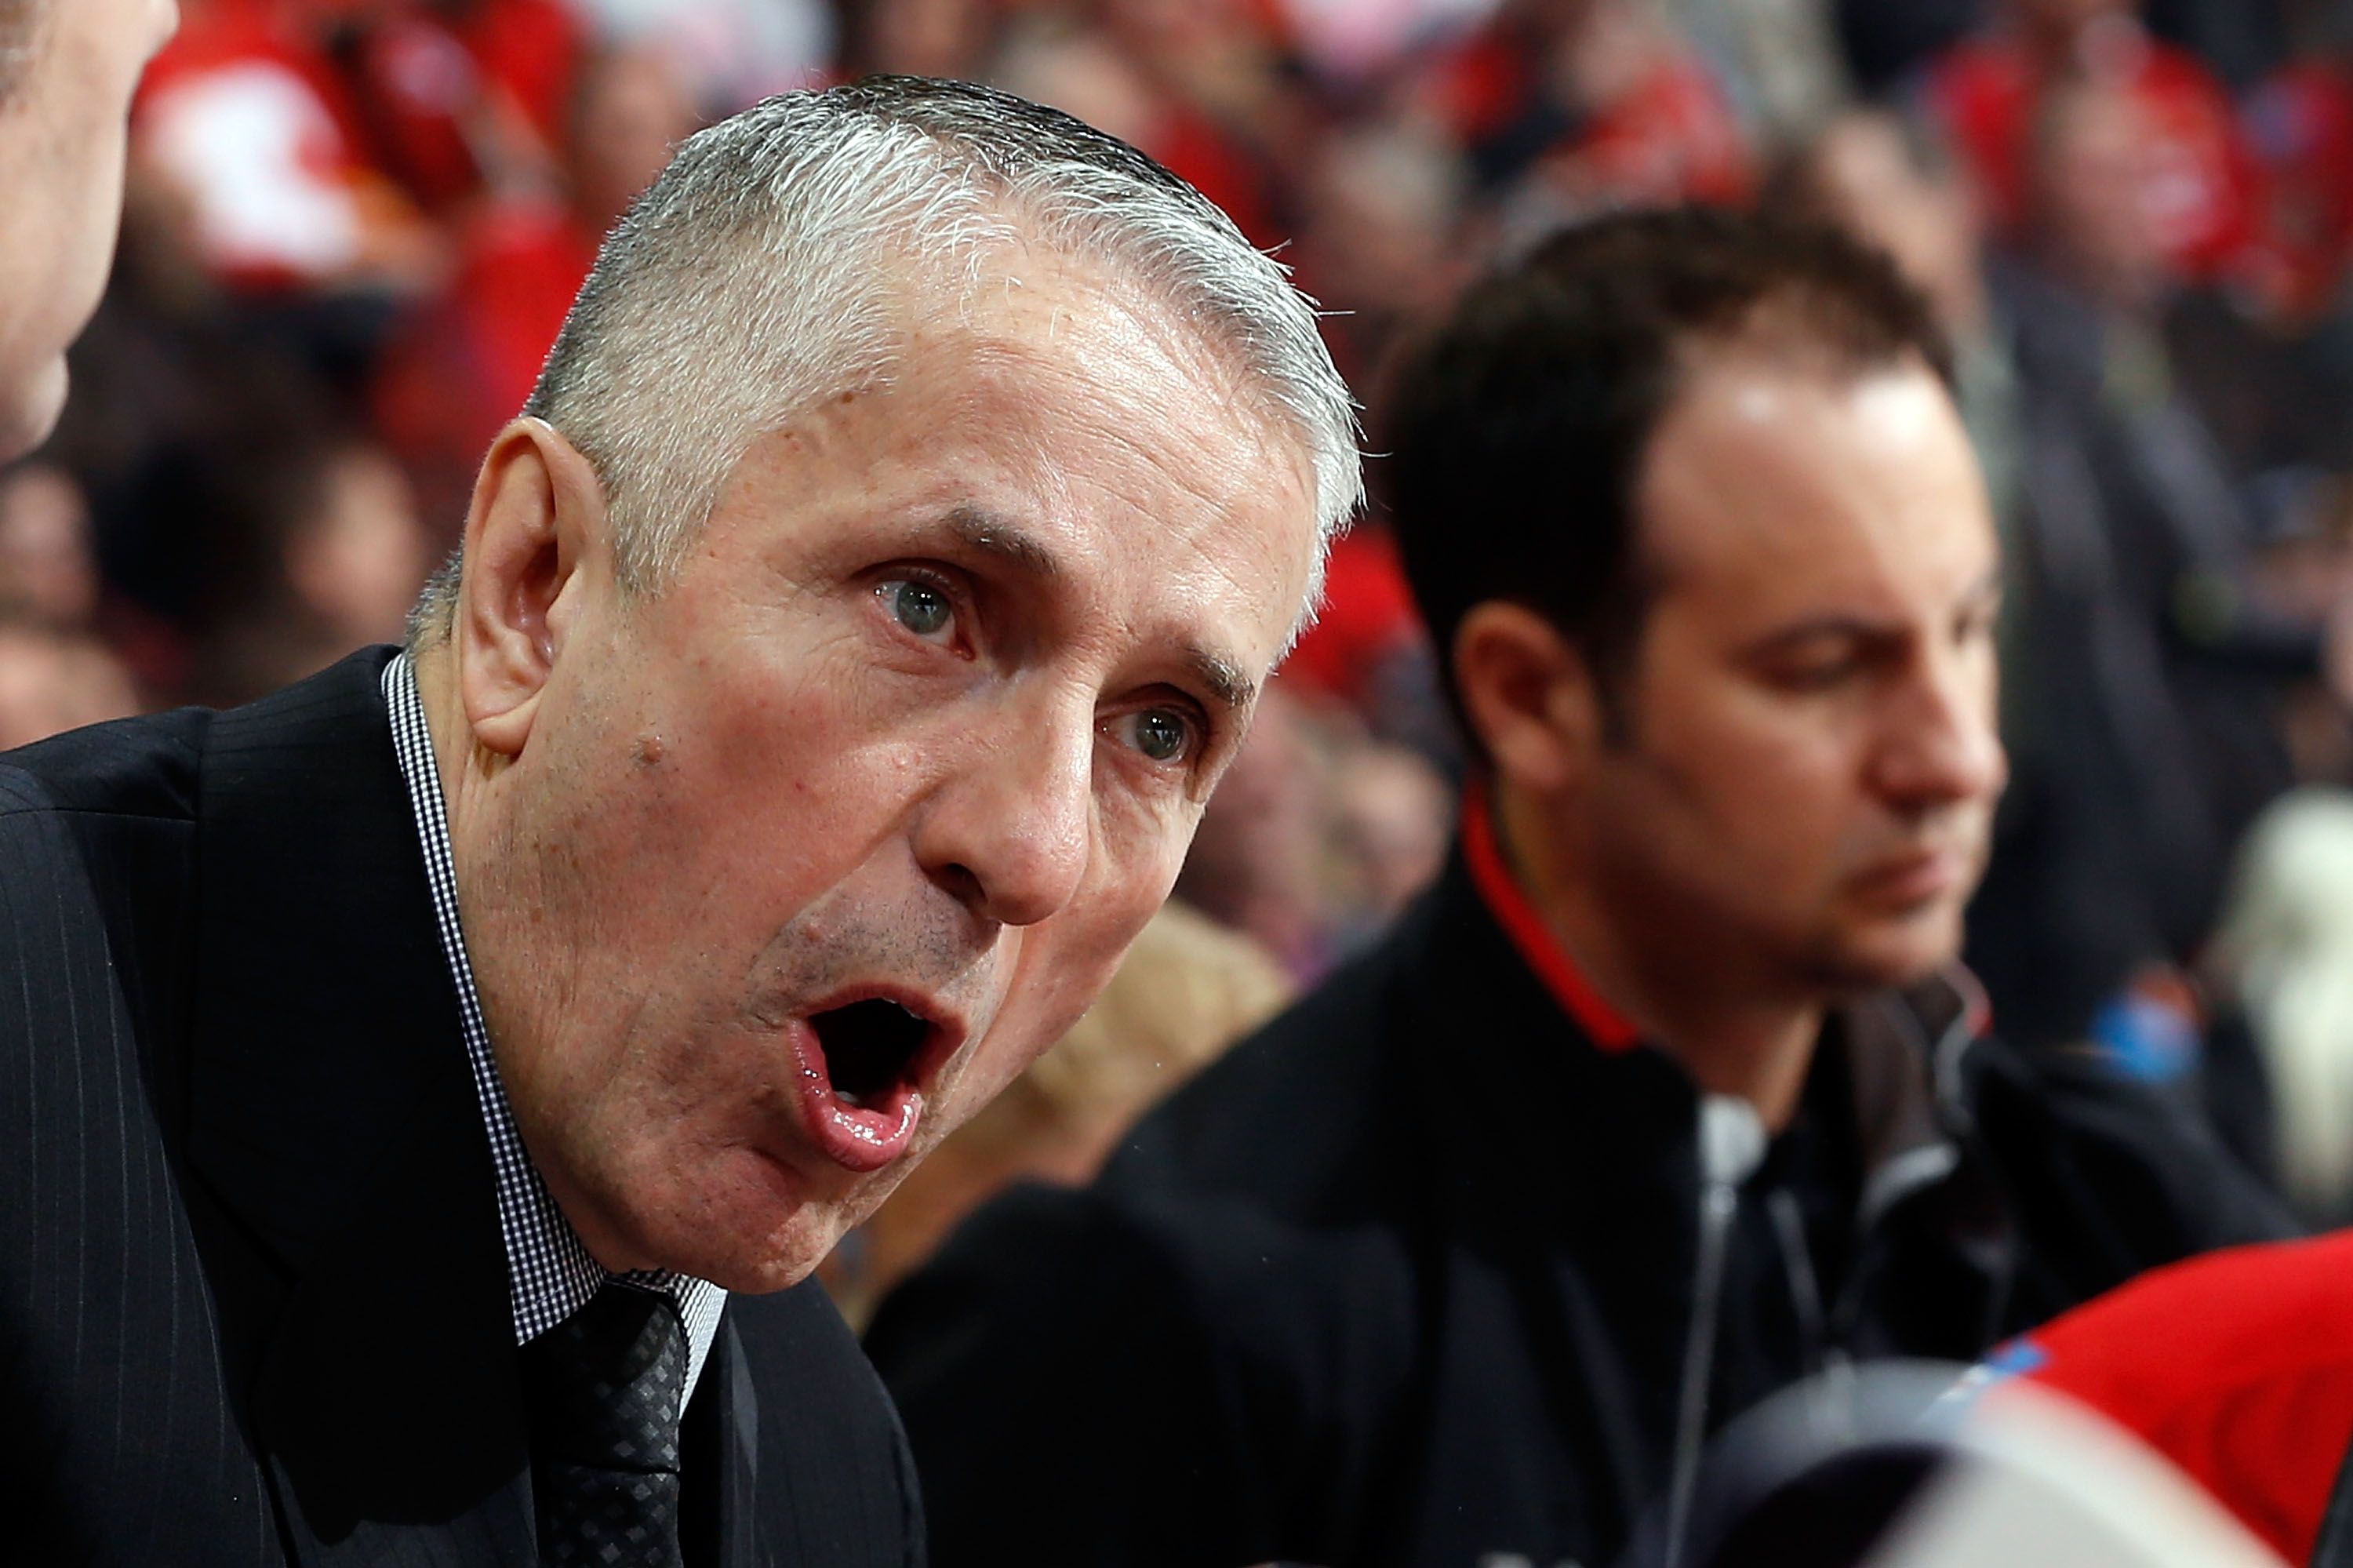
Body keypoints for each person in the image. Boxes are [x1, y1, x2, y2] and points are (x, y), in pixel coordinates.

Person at [0, 72, 1359, 1563]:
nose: (1034, 851)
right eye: (929, 607)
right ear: (539, 583)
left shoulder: (839, 1465)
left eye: (1158, 729)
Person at [864, 207, 2293, 1568]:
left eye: (1967, 632)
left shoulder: (2123, 1214)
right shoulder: (1177, 1307)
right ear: (1530, 695)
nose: (1957, 754)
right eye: (1825, 670)